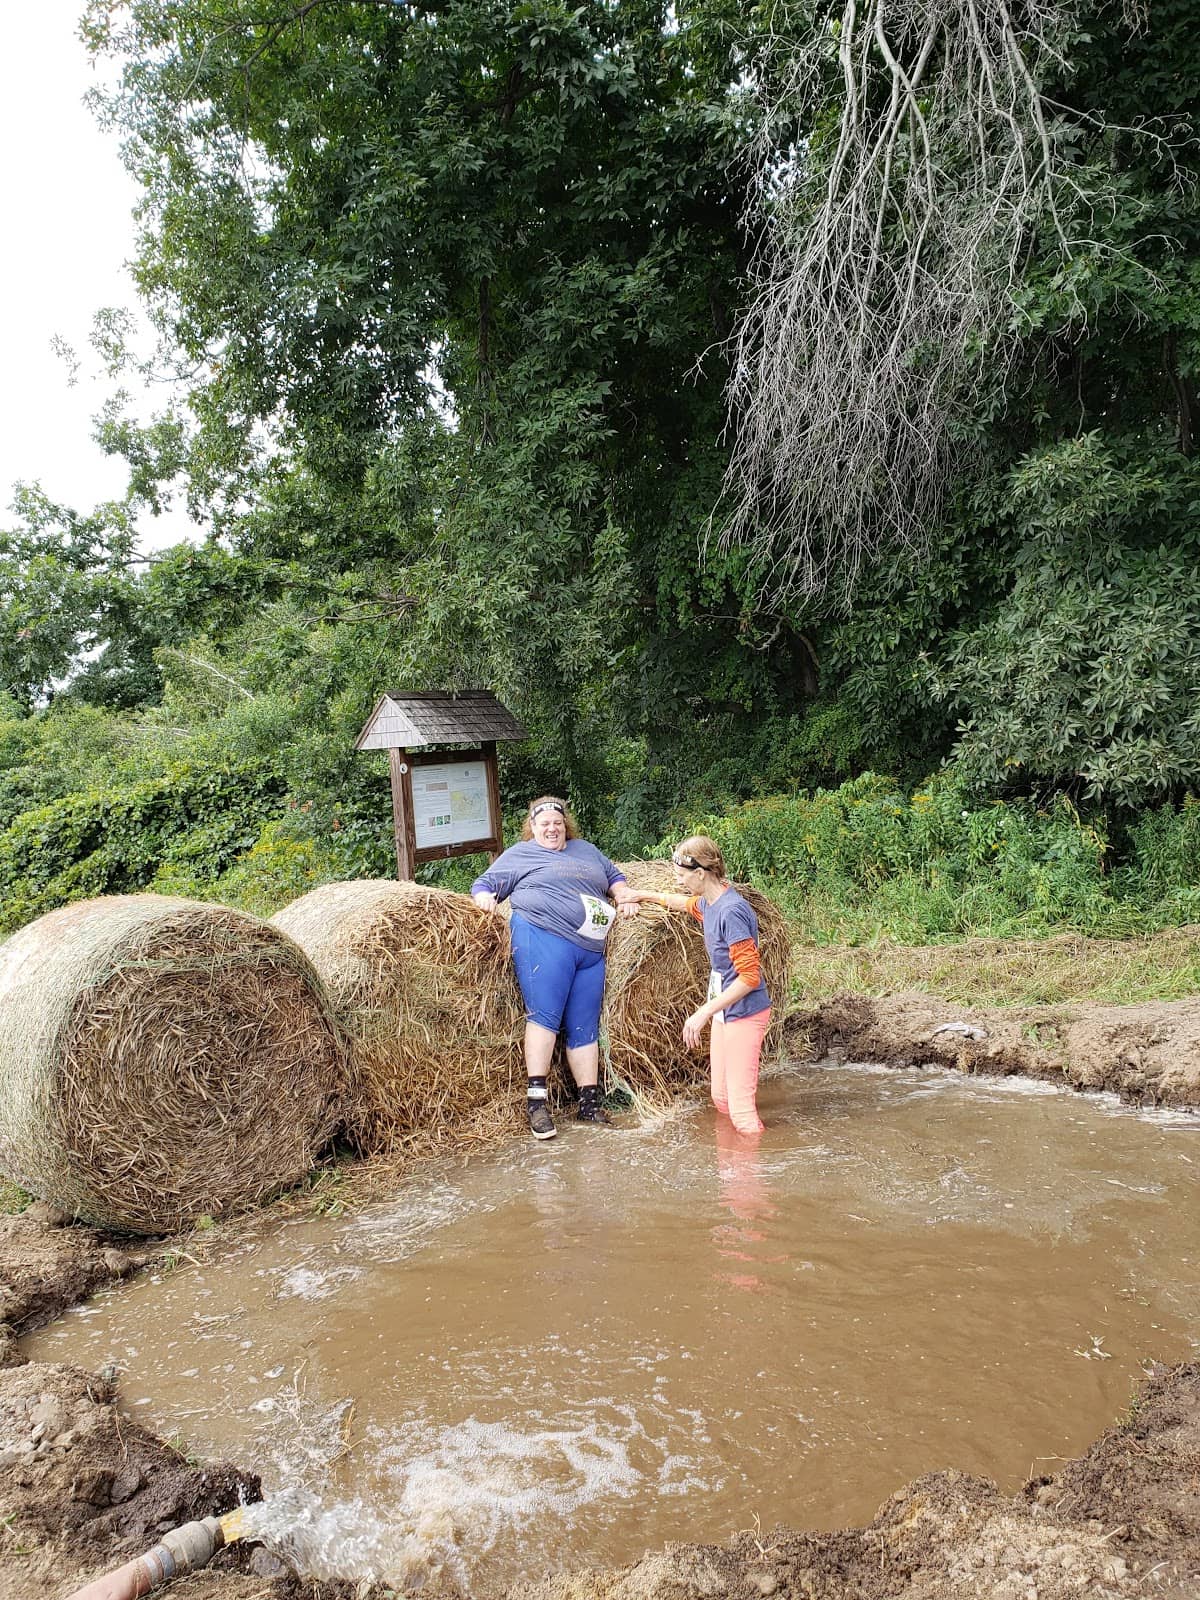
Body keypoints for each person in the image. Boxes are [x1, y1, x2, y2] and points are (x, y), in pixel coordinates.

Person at [471, 796, 639, 1140]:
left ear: (566, 826)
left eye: (557, 823)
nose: (552, 829)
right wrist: (484, 898)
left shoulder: (585, 850)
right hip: (542, 938)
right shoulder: (521, 854)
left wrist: (623, 895)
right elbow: (484, 885)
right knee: (545, 1017)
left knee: (584, 1025)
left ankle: (589, 1104)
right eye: (544, 824)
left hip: (590, 950)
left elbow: (614, 876)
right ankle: (537, 1105)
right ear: (532, 828)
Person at [626, 835, 771, 1135]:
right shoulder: (710, 903)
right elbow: (683, 903)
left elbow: (749, 977)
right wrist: (642, 895)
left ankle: (758, 1175)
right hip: (725, 1011)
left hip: (745, 1012)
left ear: (701, 873)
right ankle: (731, 1167)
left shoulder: (731, 912)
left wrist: (703, 1012)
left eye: (681, 876)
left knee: (741, 1112)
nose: (679, 882)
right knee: (720, 1098)